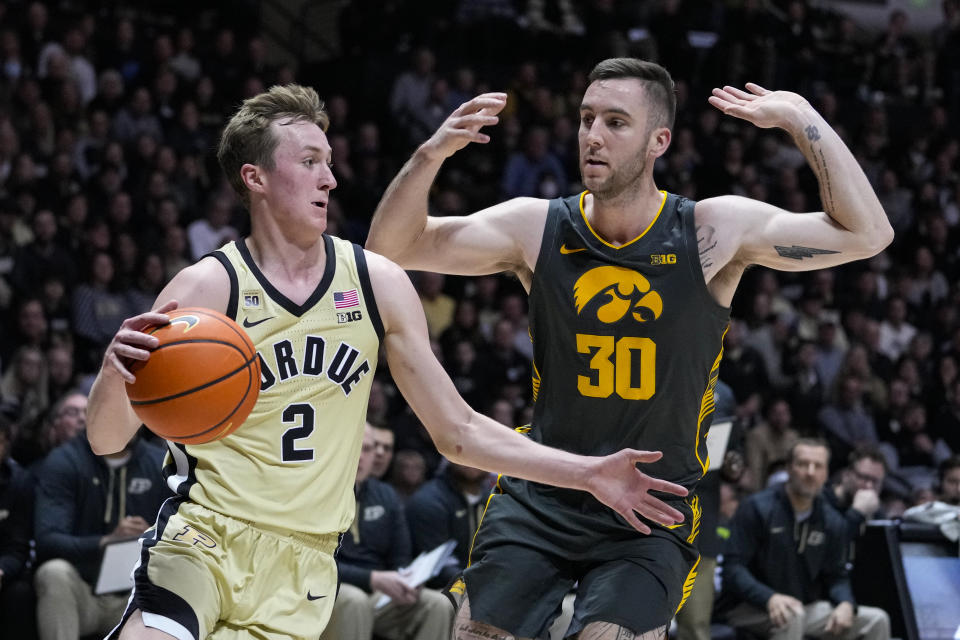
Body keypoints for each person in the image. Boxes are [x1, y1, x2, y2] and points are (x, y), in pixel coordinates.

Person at [85, 84, 689, 640]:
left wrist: (586, 472)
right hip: (204, 541)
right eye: (309, 162)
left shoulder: (377, 283)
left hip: (307, 563)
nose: (331, 179)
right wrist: (116, 373)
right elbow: (107, 438)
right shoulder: (205, 289)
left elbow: (459, 432)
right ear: (256, 178)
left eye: (329, 160)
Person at [366, 57, 894, 639]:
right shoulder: (537, 229)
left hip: (652, 509)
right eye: (587, 118)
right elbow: (391, 247)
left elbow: (868, 234)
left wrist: (801, 118)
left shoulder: (711, 232)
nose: (592, 135)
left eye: (616, 122)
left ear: (657, 141)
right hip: (545, 492)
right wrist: (429, 155)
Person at [719, 439, 890, 640]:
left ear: (826, 473)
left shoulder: (830, 519)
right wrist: (769, 598)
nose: (810, 472)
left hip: (802, 606)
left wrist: (846, 603)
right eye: (803, 464)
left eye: (818, 466)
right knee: (791, 616)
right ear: (789, 469)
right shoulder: (757, 507)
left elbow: (836, 574)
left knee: (877, 619)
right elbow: (733, 569)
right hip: (747, 606)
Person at [320, 424, 452, 640]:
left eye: (368, 450)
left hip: (378, 594)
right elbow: (316, 562)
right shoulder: (320, 492)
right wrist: (372, 578)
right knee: (354, 601)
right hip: (330, 590)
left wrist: (408, 581)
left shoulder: (386, 495)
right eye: (357, 447)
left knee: (438, 603)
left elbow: (400, 558)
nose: (362, 457)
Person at [34, 430, 168, 640]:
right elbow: (48, 539)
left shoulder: (160, 462)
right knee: (53, 572)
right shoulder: (66, 460)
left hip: (135, 595)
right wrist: (106, 541)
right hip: (83, 590)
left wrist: (153, 534)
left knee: (176, 578)